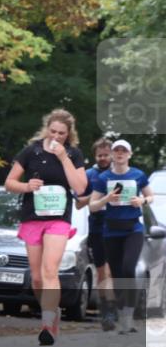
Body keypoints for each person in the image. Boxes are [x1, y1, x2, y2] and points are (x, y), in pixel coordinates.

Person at [4, 108, 87, 346]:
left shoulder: (73, 154)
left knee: (50, 270)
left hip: (59, 219)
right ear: (46, 128)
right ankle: (52, 311)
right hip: (33, 217)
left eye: (62, 133)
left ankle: (47, 323)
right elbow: (9, 183)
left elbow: (80, 188)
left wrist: (63, 157)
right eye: (53, 131)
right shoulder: (31, 150)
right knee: (38, 278)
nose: (57, 136)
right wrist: (27, 186)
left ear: (69, 134)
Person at [88, 139, 154, 334]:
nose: (119, 154)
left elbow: (151, 196)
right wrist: (106, 199)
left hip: (133, 229)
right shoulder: (104, 178)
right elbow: (92, 206)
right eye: (116, 151)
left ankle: (128, 316)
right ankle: (122, 311)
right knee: (117, 275)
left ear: (129, 155)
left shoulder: (138, 175)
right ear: (112, 155)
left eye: (123, 151)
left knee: (128, 267)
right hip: (110, 231)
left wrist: (141, 200)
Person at [75, 137, 115, 330]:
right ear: (95, 156)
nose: (103, 158)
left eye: (106, 154)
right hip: (98, 228)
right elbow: (78, 202)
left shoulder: (122, 174)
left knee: (114, 271)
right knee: (102, 272)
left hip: (120, 228)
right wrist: (99, 195)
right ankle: (107, 312)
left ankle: (113, 310)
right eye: (99, 155)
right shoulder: (89, 174)